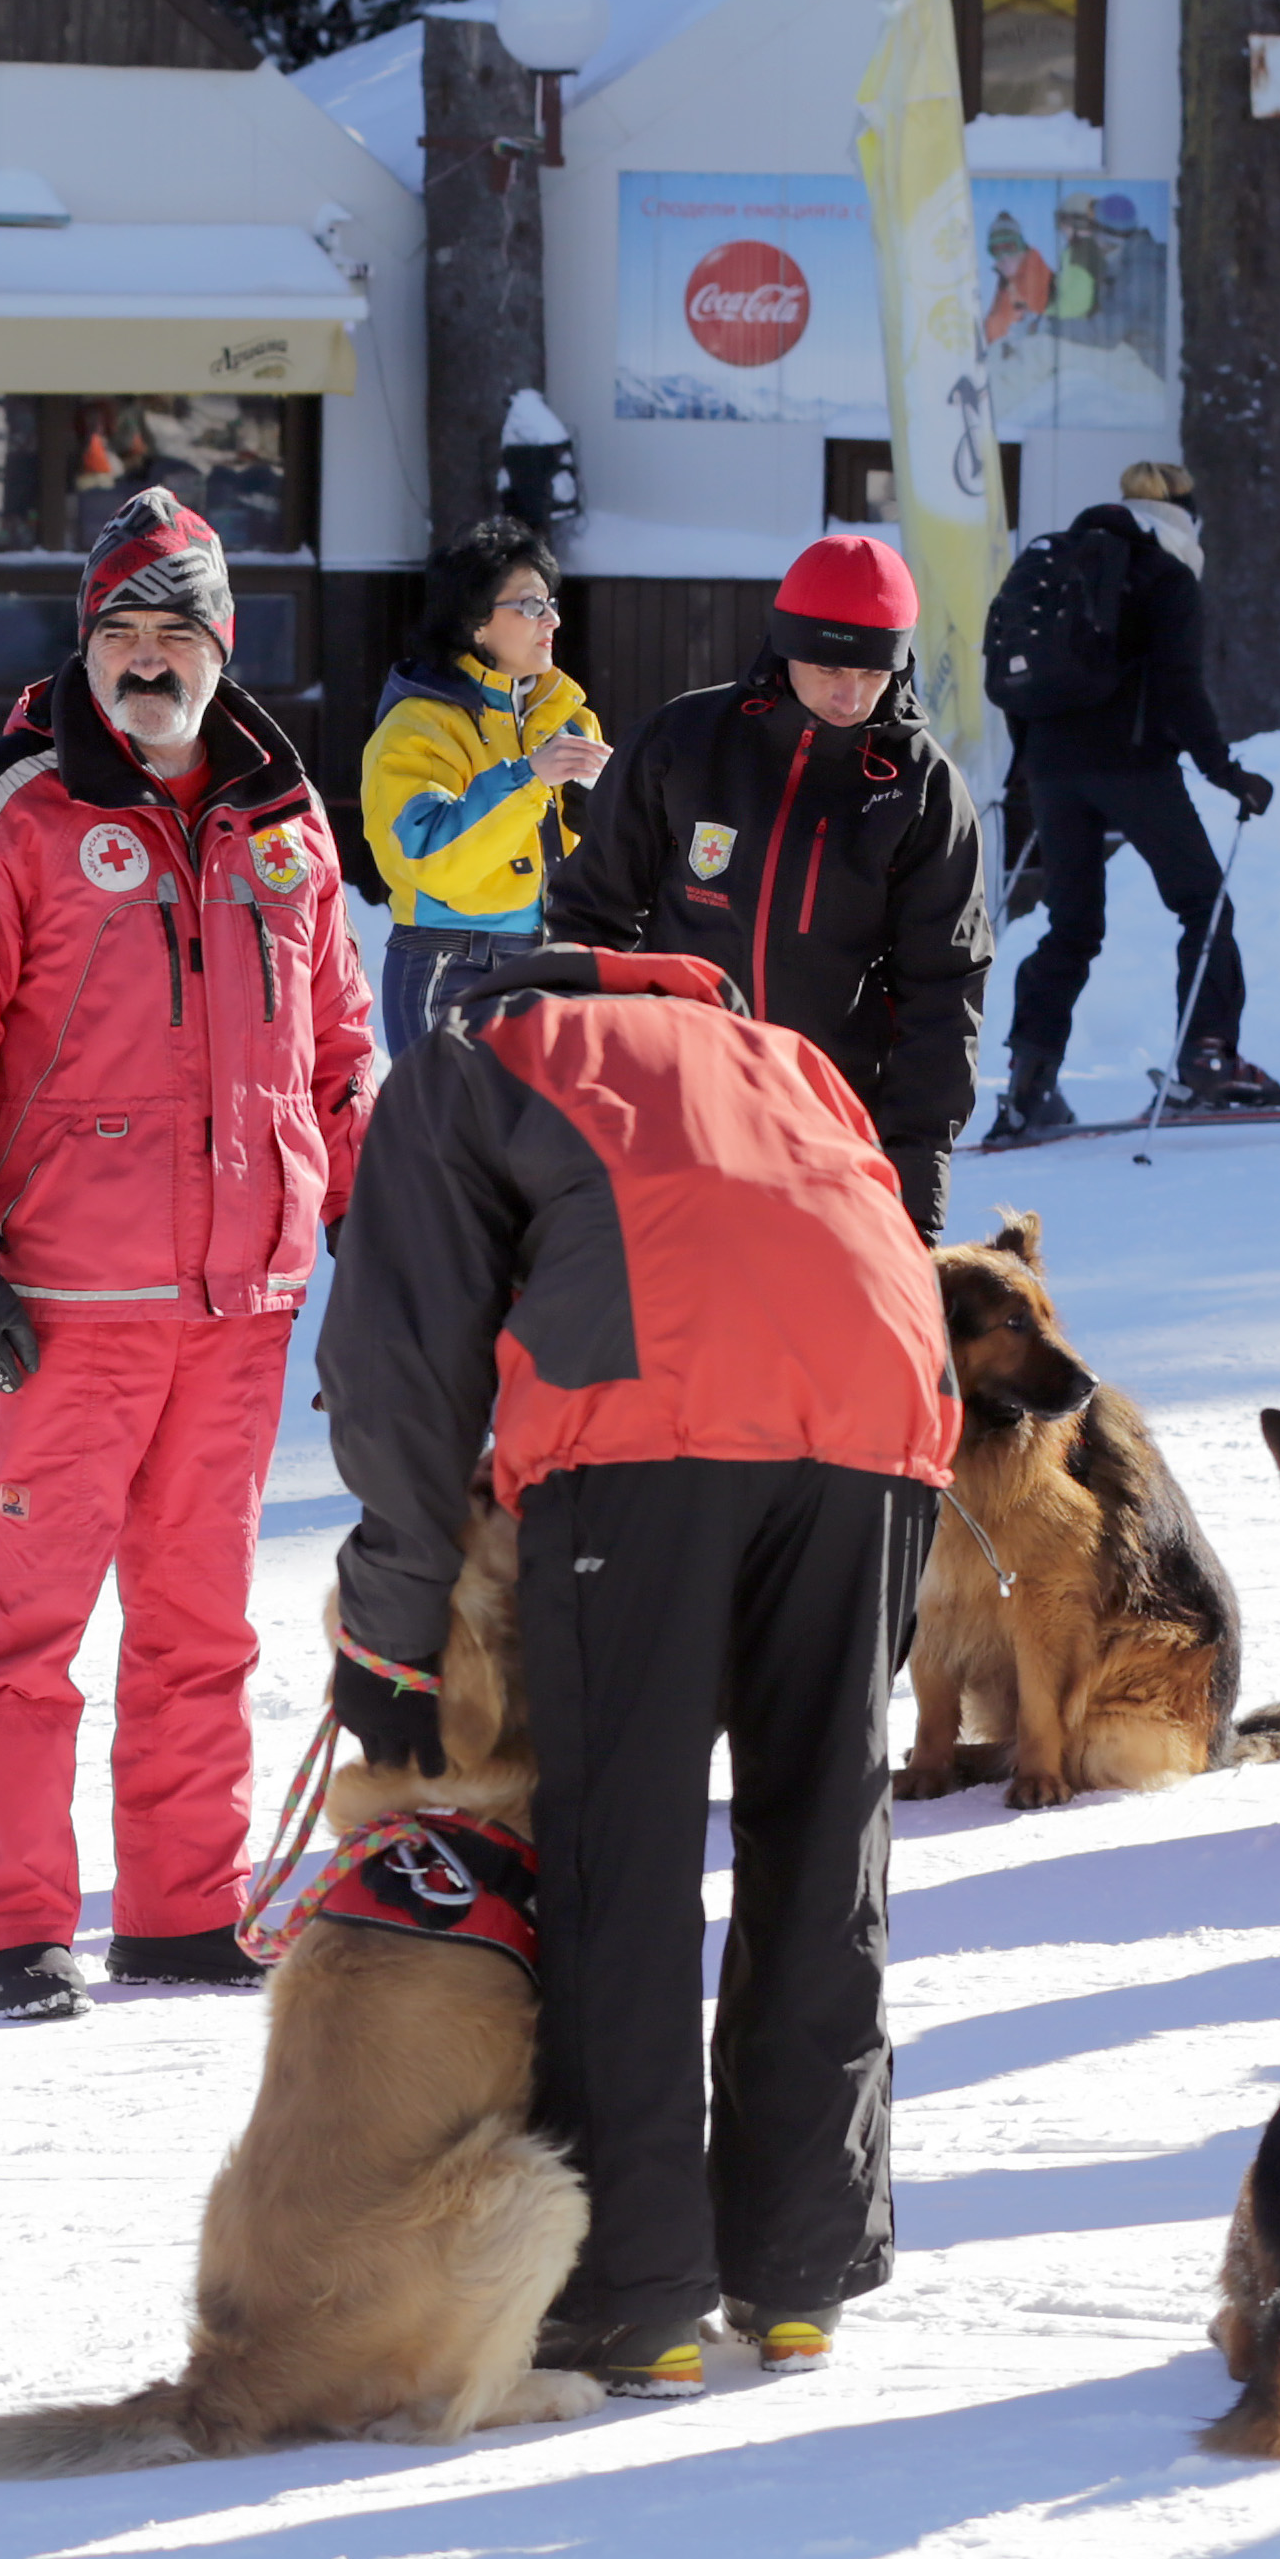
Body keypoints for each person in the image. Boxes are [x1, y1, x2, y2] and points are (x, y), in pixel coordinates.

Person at [316, 946, 953, 2389]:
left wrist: (392, 1625)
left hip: (646, 1435)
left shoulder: (469, 1055)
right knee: (819, 1829)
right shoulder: (779, 1054)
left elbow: (399, 1356)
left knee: (627, 1847)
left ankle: (633, 2293)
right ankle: (798, 2269)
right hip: (879, 1422)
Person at [0, 488, 378, 2022]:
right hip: (63, 1301)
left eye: (178, 633)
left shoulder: (286, 817)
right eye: (122, 633)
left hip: (241, 1298)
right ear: (83, 644)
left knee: (201, 1621)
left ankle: (178, 1908)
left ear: (223, 648)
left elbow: (339, 1049)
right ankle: (21, 1919)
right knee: (28, 1624)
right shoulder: (5, 805)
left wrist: (374, 1229)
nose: (148, 661)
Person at [546, 531, 986, 1226]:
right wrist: (583, 1084)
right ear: (783, 648)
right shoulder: (684, 740)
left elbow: (942, 990)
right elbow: (590, 917)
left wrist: (914, 1192)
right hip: (672, 1106)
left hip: (829, 1125)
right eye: (826, 667)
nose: (848, 695)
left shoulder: (922, 789)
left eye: (872, 674)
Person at [989, 461, 1280, 1138]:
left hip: (1050, 771)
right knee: (1204, 906)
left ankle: (1027, 1083)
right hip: (1131, 767)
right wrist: (1224, 771)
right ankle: (1207, 1058)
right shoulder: (1164, 573)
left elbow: (1017, 676)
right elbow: (1179, 687)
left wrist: (1033, 766)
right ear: (1187, 512)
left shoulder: (1054, 562)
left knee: (1070, 926)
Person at [358, 512, 606, 1045]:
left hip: (556, 958)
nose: (553, 621)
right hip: (448, 959)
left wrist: (616, 803)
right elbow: (431, 856)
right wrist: (530, 778)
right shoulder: (419, 723)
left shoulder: (568, 717)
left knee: (544, 1129)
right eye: (530, 605)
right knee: (448, 1129)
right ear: (475, 621)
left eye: (552, 604)